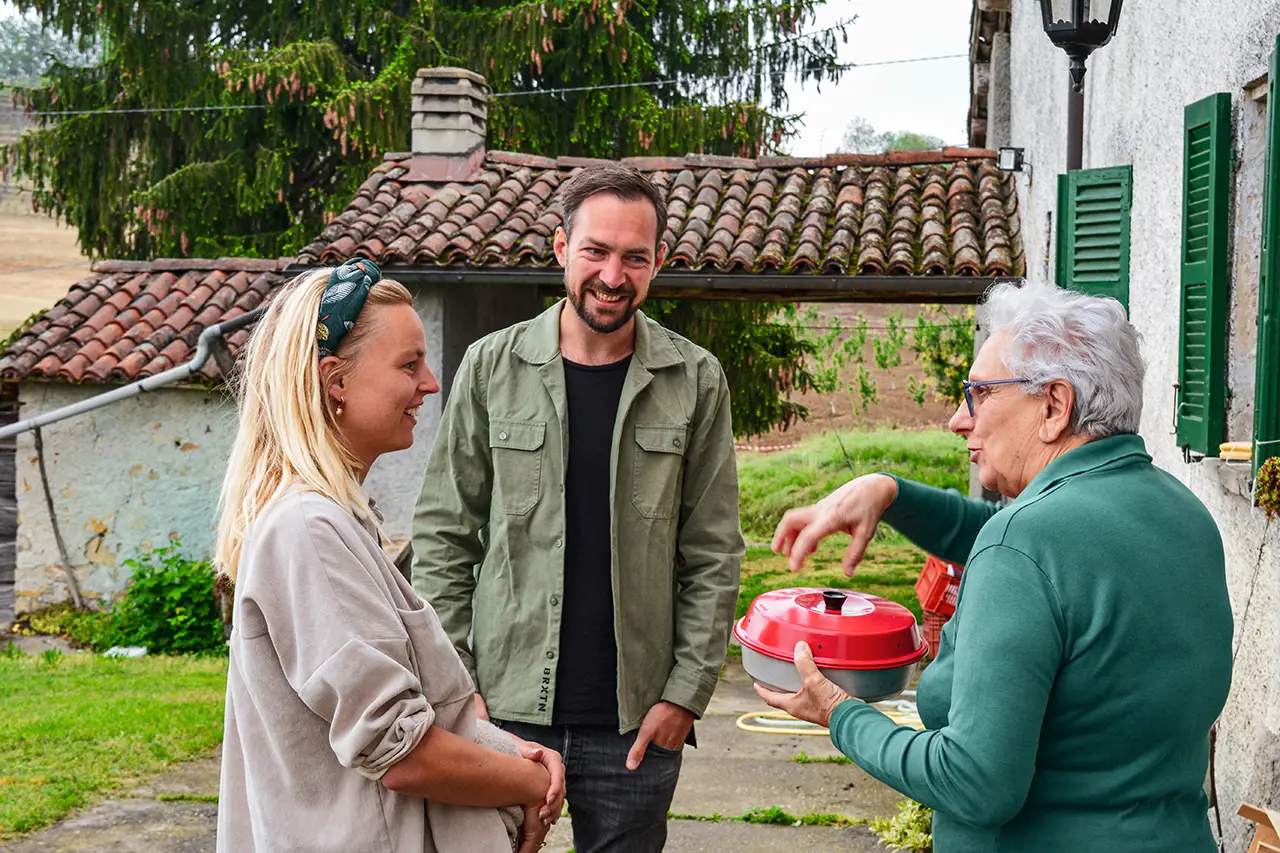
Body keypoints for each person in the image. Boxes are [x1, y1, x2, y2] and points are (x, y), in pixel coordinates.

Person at [758, 280, 1233, 853]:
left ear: (1054, 406)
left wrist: (840, 714)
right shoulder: (1181, 512)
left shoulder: (1025, 543)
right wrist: (889, 493)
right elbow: (1043, 562)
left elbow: (975, 783)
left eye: (978, 393)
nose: (959, 419)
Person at [412, 163, 744, 853]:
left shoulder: (696, 381)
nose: (613, 275)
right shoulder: (489, 367)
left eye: (635, 257)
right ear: (562, 248)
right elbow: (445, 537)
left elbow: (713, 552)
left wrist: (685, 695)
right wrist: (457, 693)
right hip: (501, 716)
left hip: (637, 723)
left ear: (659, 264)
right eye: (596, 251)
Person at [214, 259, 565, 853]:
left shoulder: (333, 521)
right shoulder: (308, 530)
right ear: (336, 382)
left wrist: (499, 749)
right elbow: (395, 748)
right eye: (409, 365)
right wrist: (534, 782)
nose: (430, 384)